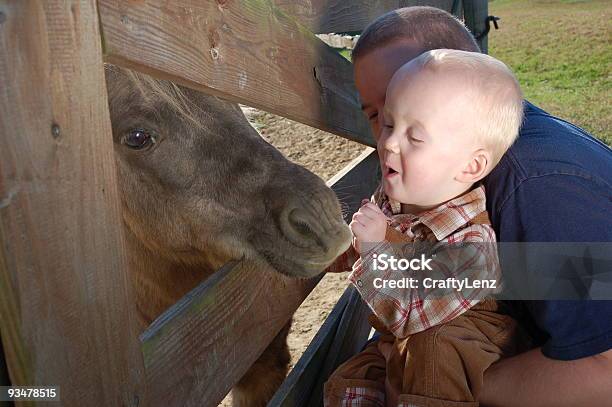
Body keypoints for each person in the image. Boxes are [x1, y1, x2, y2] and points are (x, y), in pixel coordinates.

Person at [343, 6, 612, 406]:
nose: (389, 139)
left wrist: (431, 376)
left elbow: (604, 368)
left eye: (410, 111)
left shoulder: (537, 190)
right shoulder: (458, 168)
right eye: (379, 116)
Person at [324, 49, 527, 406]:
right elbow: (353, 246)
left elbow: (410, 313)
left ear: (469, 167)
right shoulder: (395, 200)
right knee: (350, 377)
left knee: (433, 355)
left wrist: (374, 248)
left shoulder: (473, 245)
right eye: (388, 124)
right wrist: (326, 250)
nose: (388, 142)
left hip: (459, 348)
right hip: (399, 339)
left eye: (414, 138)